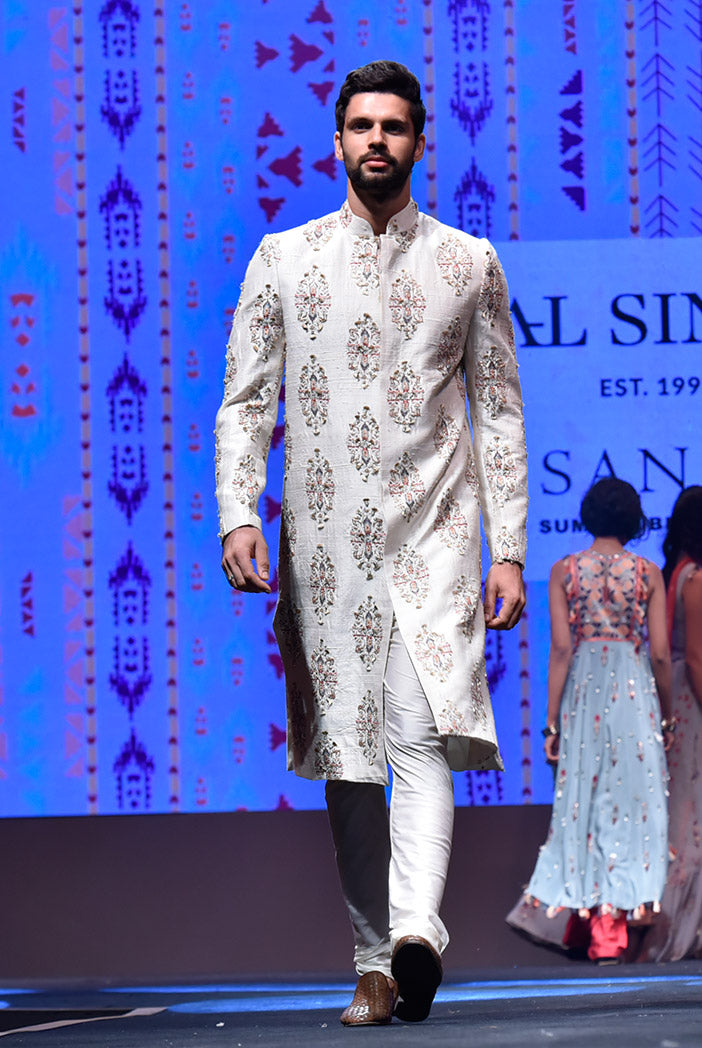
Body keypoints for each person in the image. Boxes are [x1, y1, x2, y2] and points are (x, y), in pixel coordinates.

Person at [215, 60, 528, 1023]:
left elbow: (500, 410)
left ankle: (414, 933)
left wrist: (509, 547)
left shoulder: (468, 262)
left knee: (419, 732)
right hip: (325, 544)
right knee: (350, 758)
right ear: (338, 142)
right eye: (362, 126)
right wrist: (237, 511)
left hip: (435, 532)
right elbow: (246, 401)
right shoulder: (285, 258)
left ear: (420, 142)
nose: (377, 141)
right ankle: (374, 963)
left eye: (394, 126)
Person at [506, 477, 674, 963]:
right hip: (633, 691)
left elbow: (561, 649)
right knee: (629, 802)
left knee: (583, 798)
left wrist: (551, 723)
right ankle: (605, 925)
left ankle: (592, 922)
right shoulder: (648, 573)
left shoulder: (565, 570)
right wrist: (666, 715)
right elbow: (660, 654)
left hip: (584, 691)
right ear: (634, 520)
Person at [635, 485, 702, 961]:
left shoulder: (668, 571)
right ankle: (677, 933)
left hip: (670, 694)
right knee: (687, 813)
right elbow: (696, 656)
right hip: (690, 697)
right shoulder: (693, 578)